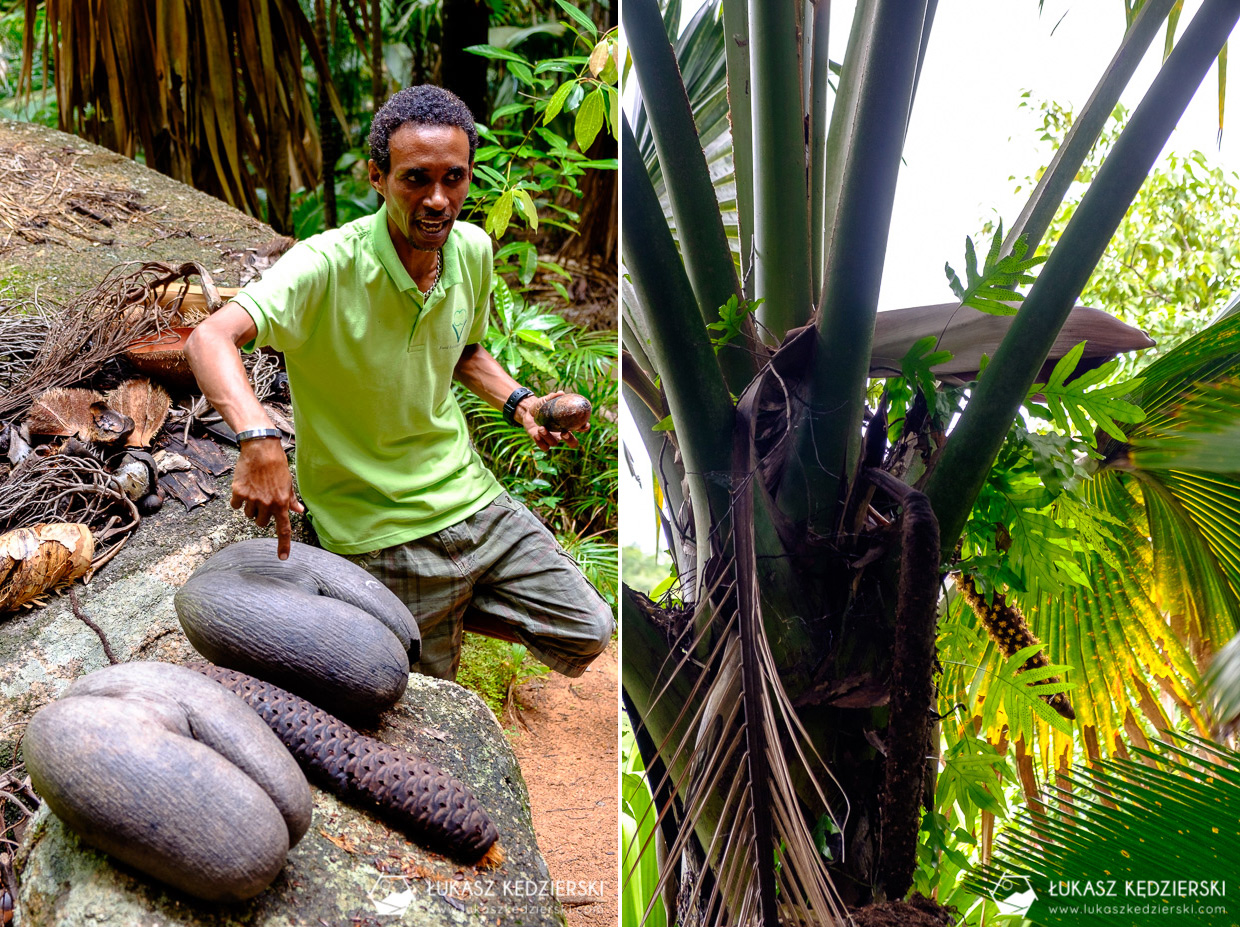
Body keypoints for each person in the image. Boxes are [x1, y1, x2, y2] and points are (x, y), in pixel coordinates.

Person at [185, 85, 613, 681]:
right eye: (416, 179)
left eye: (455, 179)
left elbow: (462, 350)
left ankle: (448, 605)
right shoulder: (326, 263)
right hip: (376, 528)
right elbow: (209, 339)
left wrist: (521, 401)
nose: (438, 200)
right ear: (378, 178)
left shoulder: (472, 249)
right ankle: (409, 611)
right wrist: (259, 439)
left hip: (470, 496)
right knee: (420, 697)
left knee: (589, 627)